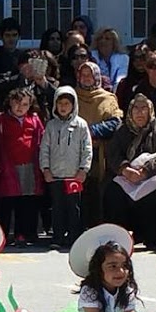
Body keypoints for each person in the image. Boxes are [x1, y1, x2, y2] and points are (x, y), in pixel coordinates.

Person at [103, 94, 156, 251]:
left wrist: (146, 171)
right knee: (113, 193)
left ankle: (150, 237)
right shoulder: (122, 131)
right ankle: (121, 238)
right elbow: (113, 154)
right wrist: (125, 169)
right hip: (127, 176)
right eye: (136, 108)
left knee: (154, 195)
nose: (140, 112)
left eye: (144, 108)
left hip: (151, 177)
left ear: (150, 111)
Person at [40, 87, 92, 250]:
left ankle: (74, 237)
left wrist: (84, 169)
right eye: (60, 103)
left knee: (73, 207)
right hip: (55, 175)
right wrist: (45, 168)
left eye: (67, 103)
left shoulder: (81, 125)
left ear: (73, 104)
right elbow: (44, 148)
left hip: (73, 175)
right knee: (57, 206)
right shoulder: (51, 125)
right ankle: (57, 236)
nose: (63, 107)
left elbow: (87, 148)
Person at [0, 87, 44, 247]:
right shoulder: (0, 120)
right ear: (10, 103)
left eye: (24, 104)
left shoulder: (34, 120)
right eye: (16, 103)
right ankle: (4, 234)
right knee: (7, 202)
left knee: (28, 201)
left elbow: (41, 139)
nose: (20, 107)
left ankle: (25, 234)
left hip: (29, 166)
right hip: (8, 166)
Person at [75, 60, 122, 227]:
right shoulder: (73, 97)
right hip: (76, 153)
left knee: (98, 192)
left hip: (99, 152)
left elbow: (115, 122)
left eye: (90, 75)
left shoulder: (107, 98)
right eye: (83, 75)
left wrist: (90, 130)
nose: (87, 78)